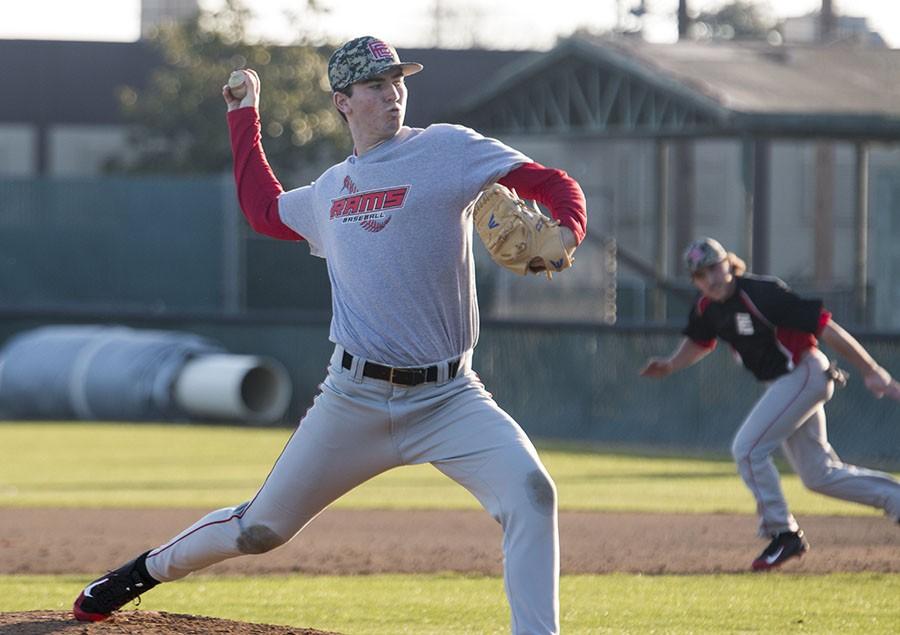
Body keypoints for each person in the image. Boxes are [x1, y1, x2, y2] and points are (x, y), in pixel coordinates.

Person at [72, 36, 586, 634]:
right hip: (355, 399)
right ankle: (141, 573)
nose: (392, 92)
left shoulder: (448, 149)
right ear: (343, 102)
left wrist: (569, 228)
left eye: (397, 80)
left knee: (532, 494)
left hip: (451, 398)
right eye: (375, 84)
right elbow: (263, 210)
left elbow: (548, 181)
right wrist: (244, 116)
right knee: (258, 529)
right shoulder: (330, 191)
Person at [640, 237, 900, 571]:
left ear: (729, 264)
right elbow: (699, 340)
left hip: (804, 372)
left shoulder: (761, 294)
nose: (710, 279)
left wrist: (872, 370)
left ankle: (783, 533)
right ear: (695, 282)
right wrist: (672, 364)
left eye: (714, 268)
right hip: (786, 383)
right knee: (818, 475)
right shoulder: (708, 306)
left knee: (747, 450)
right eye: (700, 275)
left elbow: (826, 327)